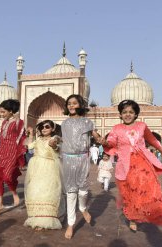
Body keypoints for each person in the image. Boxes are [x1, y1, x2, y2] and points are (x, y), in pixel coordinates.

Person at [99, 99, 162, 232]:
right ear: (120, 114)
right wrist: (105, 143)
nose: (127, 114)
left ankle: (145, 211)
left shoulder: (141, 126)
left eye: (131, 112)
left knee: (145, 189)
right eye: (124, 112)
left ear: (136, 114)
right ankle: (133, 218)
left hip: (142, 164)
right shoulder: (117, 128)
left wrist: (161, 149)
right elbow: (111, 141)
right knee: (130, 192)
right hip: (125, 165)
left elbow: (152, 139)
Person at [61, 94, 99, 239]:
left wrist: (101, 139)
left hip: (82, 157)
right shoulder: (64, 124)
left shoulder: (87, 122)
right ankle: (71, 224)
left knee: (83, 190)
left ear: (80, 105)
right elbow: (63, 140)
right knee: (71, 192)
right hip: (68, 158)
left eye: (74, 103)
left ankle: (83, 208)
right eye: (69, 103)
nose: (71, 105)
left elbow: (95, 136)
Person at [0, 99, 26, 217]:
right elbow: (2, 138)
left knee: (8, 176)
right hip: (1, 150)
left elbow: (21, 139)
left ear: (11, 111)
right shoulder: (4, 123)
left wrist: (20, 154)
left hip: (12, 151)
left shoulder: (19, 123)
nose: (2, 114)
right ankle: (0, 204)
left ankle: (14, 193)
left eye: (3, 112)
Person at [24, 120, 62, 230]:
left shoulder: (55, 138)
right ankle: (35, 218)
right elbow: (30, 147)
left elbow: (58, 150)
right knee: (34, 191)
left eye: (47, 127)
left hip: (49, 167)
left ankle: (46, 220)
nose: (44, 129)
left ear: (53, 129)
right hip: (36, 168)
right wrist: (31, 134)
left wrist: (54, 145)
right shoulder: (39, 139)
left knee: (47, 192)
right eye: (42, 127)